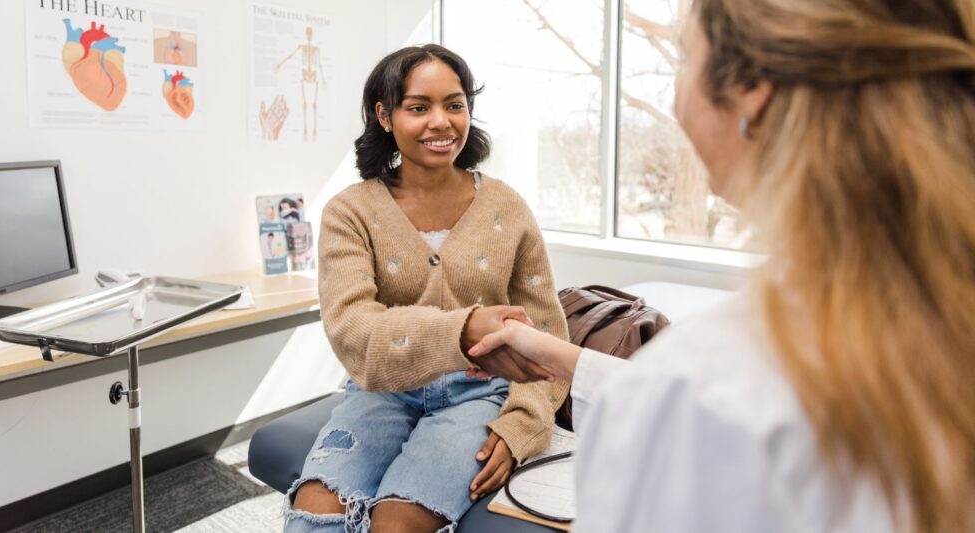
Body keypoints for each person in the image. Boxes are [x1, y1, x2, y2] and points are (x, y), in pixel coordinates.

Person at [467, 0, 975, 531]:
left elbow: (693, 403)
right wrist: (552, 351)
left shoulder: (704, 390)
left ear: (753, 93)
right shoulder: (923, 321)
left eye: (685, 56)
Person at [284, 44, 569, 533]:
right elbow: (354, 330)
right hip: (381, 391)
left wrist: (522, 423)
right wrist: (463, 329)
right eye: (419, 107)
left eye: (454, 105)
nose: (441, 122)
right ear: (385, 115)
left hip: (479, 394)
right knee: (315, 510)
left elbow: (547, 336)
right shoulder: (350, 212)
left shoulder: (507, 208)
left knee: (397, 522)